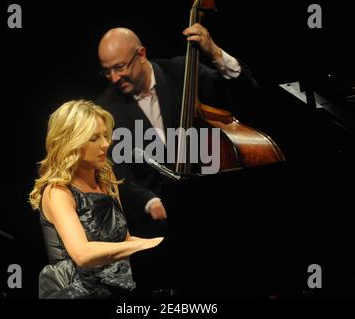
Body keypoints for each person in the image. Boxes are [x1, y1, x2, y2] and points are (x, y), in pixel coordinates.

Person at [96, 24, 260, 237]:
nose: (114, 78)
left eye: (119, 67)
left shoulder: (181, 72)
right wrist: (148, 200)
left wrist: (215, 53)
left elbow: (247, 95)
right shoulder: (106, 108)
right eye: (106, 71)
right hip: (159, 226)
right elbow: (116, 171)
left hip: (215, 206)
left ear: (141, 55)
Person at [29, 100, 163, 299]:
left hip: (115, 279)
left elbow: (124, 242)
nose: (106, 143)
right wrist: (146, 245)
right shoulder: (58, 191)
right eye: (94, 138)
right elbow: (82, 254)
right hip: (75, 288)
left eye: (105, 135)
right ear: (71, 142)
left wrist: (161, 245)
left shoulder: (109, 183)